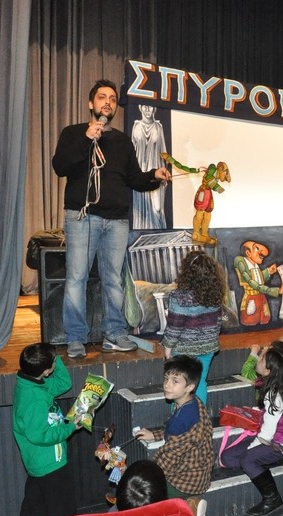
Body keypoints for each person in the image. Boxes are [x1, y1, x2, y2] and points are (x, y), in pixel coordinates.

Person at [52, 79, 172, 359]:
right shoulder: (73, 133)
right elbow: (60, 166)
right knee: (77, 278)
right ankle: (75, 338)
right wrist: (86, 138)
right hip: (83, 217)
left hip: (117, 221)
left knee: (114, 281)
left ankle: (114, 334)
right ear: (90, 103)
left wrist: (153, 176)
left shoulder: (122, 140)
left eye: (113, 99)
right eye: (102, 97)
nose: (108, 102)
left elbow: (134, 179)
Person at [221, 341, 283, 516]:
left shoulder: (275, 395)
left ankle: (272, 499)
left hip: (280, 443)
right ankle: (263, 463)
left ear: (269, 370)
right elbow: (272, 417)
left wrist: (250, 450)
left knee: (247, 459)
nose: (259, 359)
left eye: (262, 358)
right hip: (268, 438)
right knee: (228, 457)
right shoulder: (274, 386)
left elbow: (267, 433)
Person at [12, 343, 79, 516]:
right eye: (54, 361)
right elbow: (40, 435)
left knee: (35, 513)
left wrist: (53, 358)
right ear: (47, 371)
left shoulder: (33, 382)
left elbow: (64, 383)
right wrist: (70, 427)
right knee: (64, 515)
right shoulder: (34, 398)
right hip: (50, 464)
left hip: (41, 463)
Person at [135, 356, 214, 501]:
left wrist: (141, 474)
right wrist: (155, 435)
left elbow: (166, 460)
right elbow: (175, 433)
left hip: (185, 483)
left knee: (141, 492)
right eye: (166, 379)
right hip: (197, 472)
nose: (167, 385)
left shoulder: (184, 418)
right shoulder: (192, 402)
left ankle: (187, 505)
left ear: (190, 387)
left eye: (175, 381)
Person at [161, 251, 225, 405]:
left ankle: (180, 416)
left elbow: (174, 327)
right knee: (200, 382)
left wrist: (168, 348)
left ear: (186, 272)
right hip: (207, 348)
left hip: (184, 351)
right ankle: (199, 415)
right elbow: (218, 323)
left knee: (178, 386)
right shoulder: (215, 295)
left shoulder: (178, 297)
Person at [232, 241, 283, 326]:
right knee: (251, 321)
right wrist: (276, 291)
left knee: (264, 320)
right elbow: (253, 283)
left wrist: (268, 271)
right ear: (248, 253)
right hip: (251, 299)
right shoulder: (243, 267)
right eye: (256, 248)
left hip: (261, 298)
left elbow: (257, 278)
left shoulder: (255, 266)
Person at [131, 104, 168, 229]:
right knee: (140, 209)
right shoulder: (136, 126)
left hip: (156, 171)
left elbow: (163, 151)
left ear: (154, 109)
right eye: (144, 106)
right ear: (140, 108)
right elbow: (131, 152)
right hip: (139, 172)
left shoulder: (158, 127)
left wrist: (166, 169)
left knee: (157, 207)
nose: (147, 109)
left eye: (150, 107)